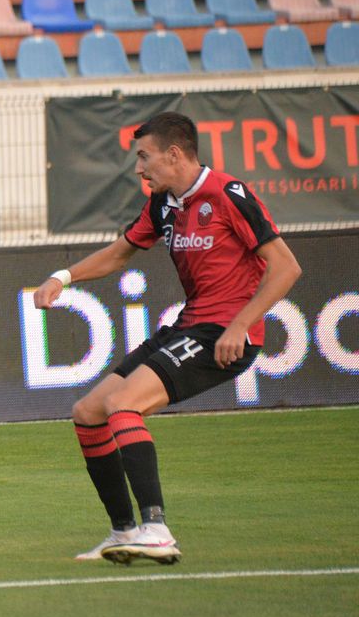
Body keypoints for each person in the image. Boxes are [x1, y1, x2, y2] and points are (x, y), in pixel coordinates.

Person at [33, 112, 301, 565]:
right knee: (89, 412)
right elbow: (120, 254)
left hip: (222, 333)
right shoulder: (163, 204)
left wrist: (240, 324)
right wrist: (63, 276)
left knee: (123, 404)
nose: (139, 169)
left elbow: (287, 267)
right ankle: (123, 532)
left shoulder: (228, 194)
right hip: (188, 326)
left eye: (145, 157)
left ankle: (157, 531)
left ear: (174, 154)